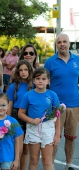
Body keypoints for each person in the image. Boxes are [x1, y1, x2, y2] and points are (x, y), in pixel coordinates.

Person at [44, 33, 79, 170]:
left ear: (69, 43)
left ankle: (69, 164)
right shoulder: (50, 62)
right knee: (54, 137)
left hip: (75, 105)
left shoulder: (77, 60)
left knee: (71, 137)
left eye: (64, 41)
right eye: (59, 42)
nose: (62, 44)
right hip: (56, 106)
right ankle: (50, 165)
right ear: (56, 45)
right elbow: (44, 83)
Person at [18, 67, 61, 170]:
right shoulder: (28, 95)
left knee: (47, 161)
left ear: (48, 81)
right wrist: (31, 120)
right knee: (34, 160)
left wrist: (57, 134)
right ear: (33, 80)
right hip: (33, 128)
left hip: (48, 128)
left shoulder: (52, 95)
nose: (40, 81)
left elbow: (57, 114)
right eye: (38, 78)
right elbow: (21, 113)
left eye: (43, 79)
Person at [6, 60, 33, 170]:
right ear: (17, 72)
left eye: (26, 70)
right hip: (16, 116)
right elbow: (9, 105)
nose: (23, 72)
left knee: (26, 149)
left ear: (30, 71)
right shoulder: (13, 86)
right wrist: (7, 121)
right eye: (21, 70)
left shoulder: (34, 85)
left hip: (30, 116)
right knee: (18, 147)